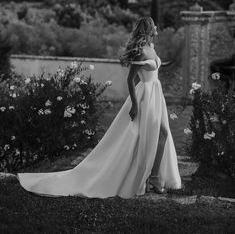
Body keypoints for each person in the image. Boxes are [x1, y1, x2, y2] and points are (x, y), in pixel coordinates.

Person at [17, 17, 181, 198]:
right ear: (149, 28)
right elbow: (130, 79)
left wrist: (171, 62)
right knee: (155, 134)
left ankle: (153, 176)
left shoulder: (151, 48)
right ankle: (152, 177)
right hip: (145, 97)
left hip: (156, 94)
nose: (157, 29)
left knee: (160, 134)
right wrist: (134, 104)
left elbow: (156, 67)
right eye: (154, 26)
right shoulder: (140, 52)